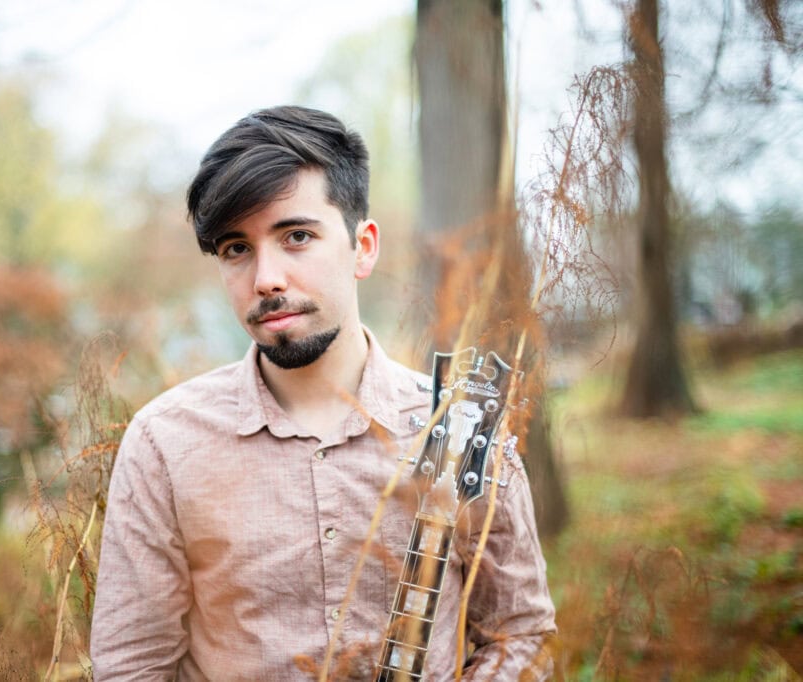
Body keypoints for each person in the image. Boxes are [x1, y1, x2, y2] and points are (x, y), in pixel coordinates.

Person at [91, 105, 556, 680]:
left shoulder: (457, 423)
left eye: (297, 236)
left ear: (363, 247)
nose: (266, 278)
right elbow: (132, 663)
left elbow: (520, 633)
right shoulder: (166, 442)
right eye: (237, 248)